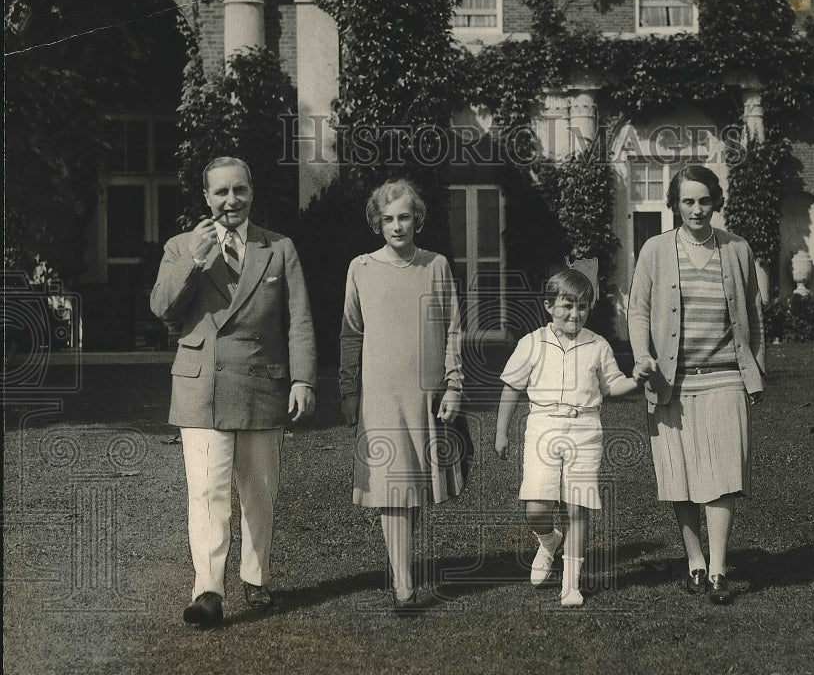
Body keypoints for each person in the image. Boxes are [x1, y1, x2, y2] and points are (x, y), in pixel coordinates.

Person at [150, 156, 317, 628]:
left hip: (261, 382)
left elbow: (299, 318)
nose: (230, 201)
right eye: (220, 192)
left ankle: (256, 576)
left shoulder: (279, 248)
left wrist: (302, 378)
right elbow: (163, 307)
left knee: (259, 490)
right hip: (201, 384)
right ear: (205, 197)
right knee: (206, 492)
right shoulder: (181, 246)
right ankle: (208, 590)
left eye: (238, 190)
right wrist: (195, 260)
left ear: (251, 191)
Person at [628, 164, 764, 605]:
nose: (697, 209)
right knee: (682, 477)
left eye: (704, 200)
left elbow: (754, 315)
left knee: (724, 474)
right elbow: (638, 310)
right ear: (675, 205)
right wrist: (642, 356)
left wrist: (754, 372)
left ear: (715, 202)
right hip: (673, 382)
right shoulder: (654, 250)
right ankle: (695, 562)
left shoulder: (737, 249)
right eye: (688, 201)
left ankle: (720, 569)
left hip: (725, 377)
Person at [339, 178, 464, 609]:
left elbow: (453, 329)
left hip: (425, 393)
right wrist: (348, 390)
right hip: (379, 394)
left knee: (414, 486)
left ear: (418, 220)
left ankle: (403, 570)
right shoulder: (361, 268)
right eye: (388, 219)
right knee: (393, 486)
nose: (397, 226)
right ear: (377, 222)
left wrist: (454, 384)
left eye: (405, 217)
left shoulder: (436, 265)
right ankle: (404, 584)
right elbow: (351, 333)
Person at [495, 268, 642, 607]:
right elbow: (511, 388)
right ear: (549, 306)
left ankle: (571, 584)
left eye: (582, 307)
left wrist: (636, 380)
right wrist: (501, 431)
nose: (575, 314)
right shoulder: (531, 343)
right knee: (536, 507)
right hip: (543, 429)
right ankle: (548, 540)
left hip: (585, 431)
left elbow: (613, 384)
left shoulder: (598, 345)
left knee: (578, 507)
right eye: (567, 306)